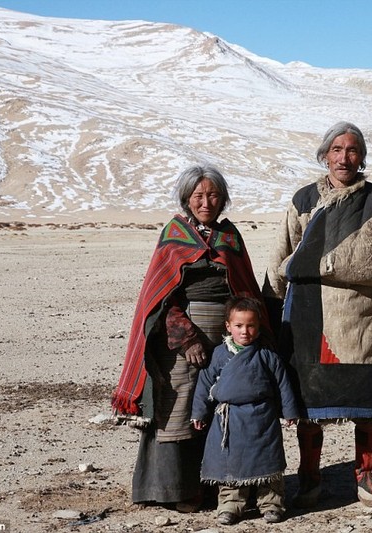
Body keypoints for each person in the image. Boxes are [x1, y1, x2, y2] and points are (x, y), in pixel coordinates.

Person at [262, 121, 372, 508]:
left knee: (368, 404)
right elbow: (282, 257)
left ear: (361, 157)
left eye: (352, 150)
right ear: (324, 155)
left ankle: (367, 477)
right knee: (310, 409)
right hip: (311, 319)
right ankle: (310, 478)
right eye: (336, 149)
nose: (344, 157)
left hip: (367, 318)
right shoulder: (303, 199)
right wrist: (270, 315)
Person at [111, 163, 267, 513]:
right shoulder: (174, 233)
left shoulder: (230, 237)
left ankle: (220, 486)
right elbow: (161, 299)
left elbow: (243, 289)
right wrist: (187, 338)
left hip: (228, 339)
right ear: (186, 199)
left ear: (223, 199)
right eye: (198, 196)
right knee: (180, 407)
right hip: (181, 343)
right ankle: (177, 489)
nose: (206, 202)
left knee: (220, 406)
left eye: (213, 195)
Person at [191, 296, 299, 525]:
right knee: (230, 464)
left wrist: (290, 412)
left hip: (262, 418)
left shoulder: (267, 355)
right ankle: (231, 506)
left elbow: (283, 384)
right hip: (229, 420)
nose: (245, 331)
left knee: (267, 463)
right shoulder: (220, 354)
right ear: (228, 326)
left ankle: (271, 504)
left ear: (258, 326)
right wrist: (199, 412)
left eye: (251, 325)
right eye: (239, 326)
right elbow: (204, 383)